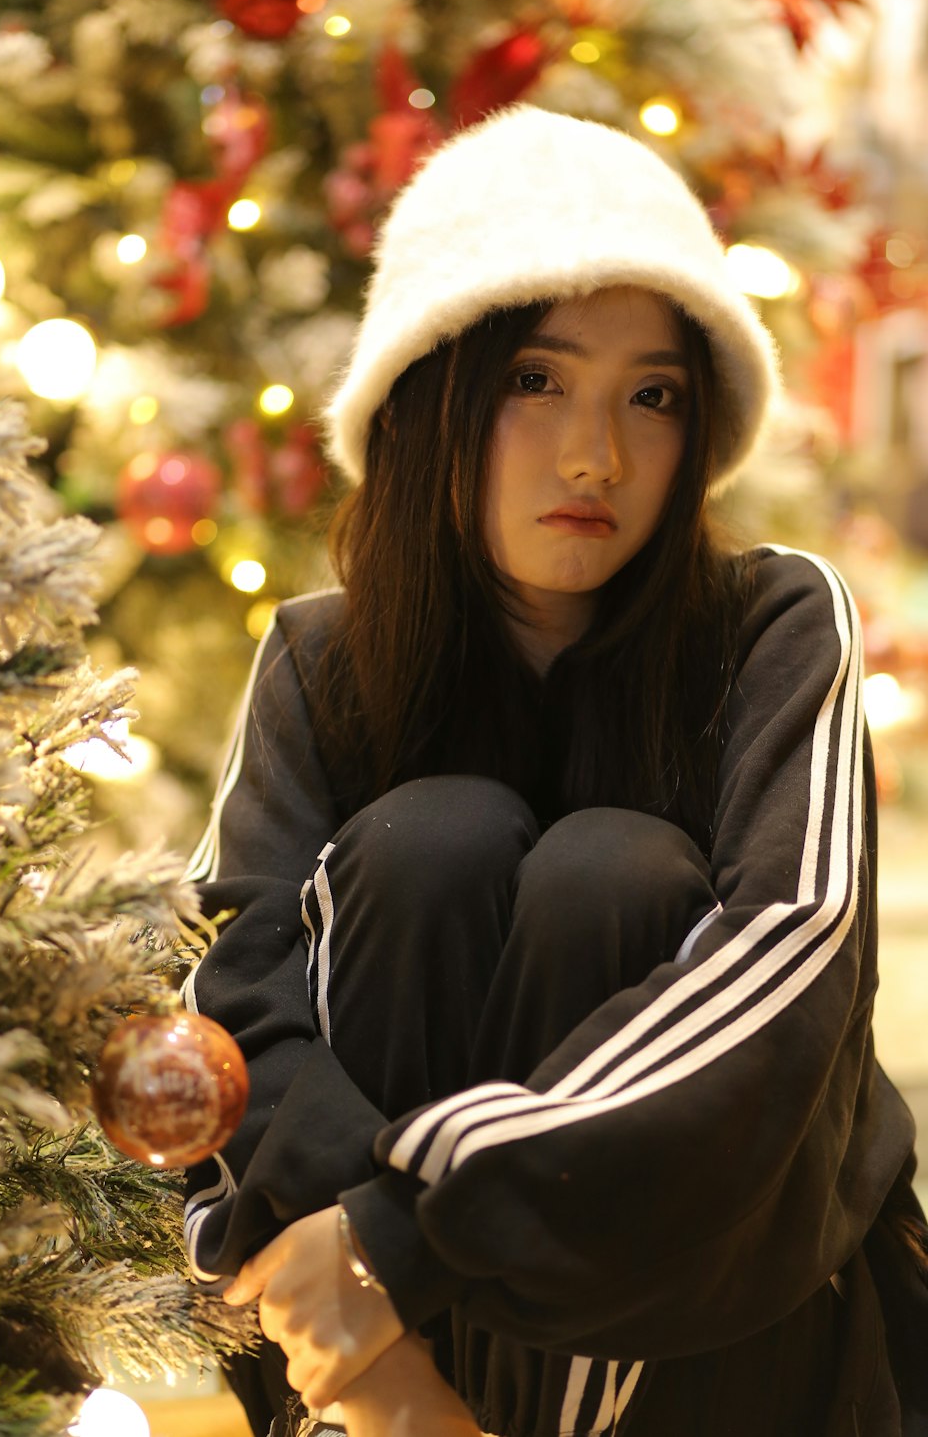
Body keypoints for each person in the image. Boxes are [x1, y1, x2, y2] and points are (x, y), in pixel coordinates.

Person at [180, 106, 928, 1437]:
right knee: (431, 841)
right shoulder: (322, 655)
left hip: (722, 1354)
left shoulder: (774, 621)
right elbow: (231, 990)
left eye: (653, 397)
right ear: (432, 393)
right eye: (537, 378)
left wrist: (410, 1221)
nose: (596, 456)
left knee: (615, 870)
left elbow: (795, 955)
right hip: (375, 1357)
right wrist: (370, 1309)